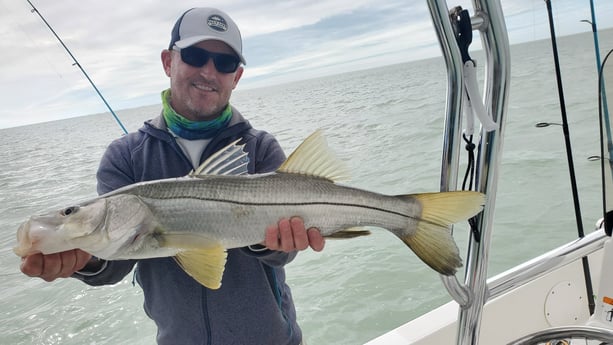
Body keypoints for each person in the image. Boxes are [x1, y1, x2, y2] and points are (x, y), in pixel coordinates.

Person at [20, 7, 324, 345]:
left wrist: (274, 242)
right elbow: (116, 263)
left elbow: (281, 255)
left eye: (224, 64)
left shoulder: (259, 148)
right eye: (195, 56)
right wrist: (85, 260)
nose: (209, 71)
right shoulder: (126, 156)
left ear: (235, 78)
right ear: (168, 62)